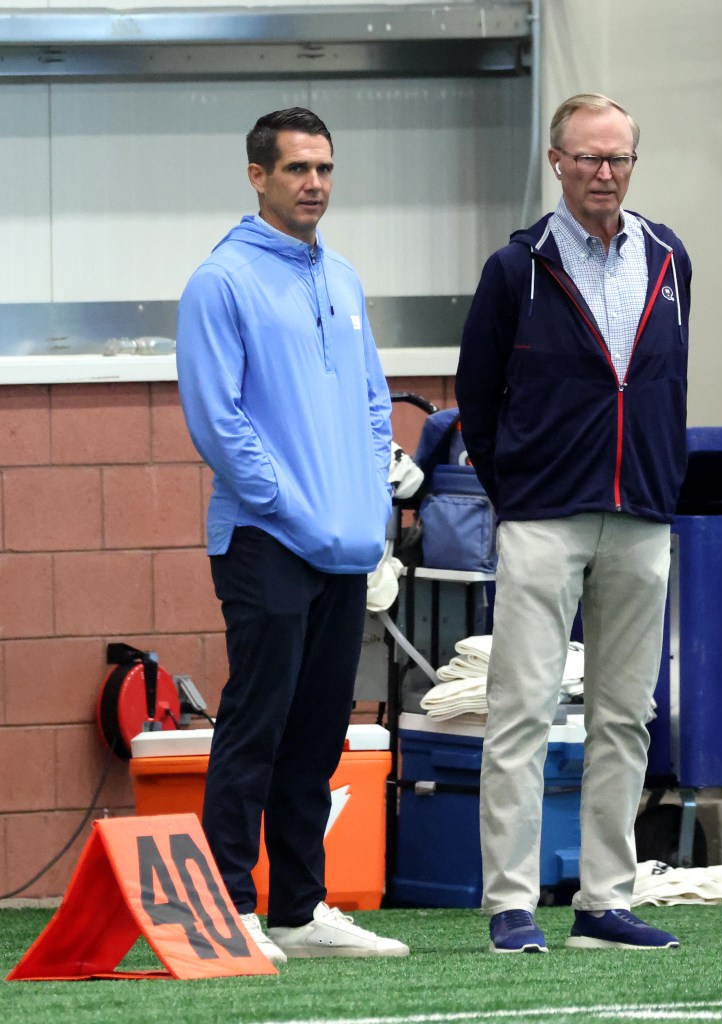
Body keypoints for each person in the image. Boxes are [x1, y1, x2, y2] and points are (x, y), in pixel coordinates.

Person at [455, 93, 691, 953]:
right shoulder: (514, 269)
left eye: (618, 159)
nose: (604, 173)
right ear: (556, 161)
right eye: (588, 158)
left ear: (633, 164)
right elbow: (475, 400)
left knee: (626, 716)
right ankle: (511, 904)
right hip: (543, 519)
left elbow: (666, 383)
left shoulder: (669, 258)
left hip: (642, 516)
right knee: (521, 711)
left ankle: (604, 903)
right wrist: (515, 490)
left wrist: (659, 478)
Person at [176, 106, 408, 961]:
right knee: (257, 722)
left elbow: (375, 400)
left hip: (345, 541)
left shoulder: (342, 279)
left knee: (318, 731)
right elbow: (218, 421)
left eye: (325, 169)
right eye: (297, 170)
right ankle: (229, 907)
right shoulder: (221, 281)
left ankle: (300, 911)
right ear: (258, 177)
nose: (314, 184)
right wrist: (296, 507)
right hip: (264, 539)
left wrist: (366, 500)